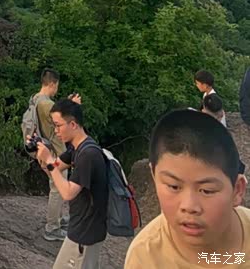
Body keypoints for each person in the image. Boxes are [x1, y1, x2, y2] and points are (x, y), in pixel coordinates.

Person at [124, 108, 250, 268]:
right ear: (154, 177)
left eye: (207, 190)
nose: (189, 206)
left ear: (237, 190)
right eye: (174, 186)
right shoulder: (145, 258)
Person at [35, 98, 108, 269]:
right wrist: (42, 156)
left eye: (58, 125)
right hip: (83, 228)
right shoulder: (76, 148)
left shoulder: (88, 154)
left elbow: (68, 193)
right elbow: (54, 169)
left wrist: (49, 161)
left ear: (73, 124)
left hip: (85, 232)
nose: (56, 131)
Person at [29, 69, 81, 242]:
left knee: (57, 186)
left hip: (45, 149)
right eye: (56, 85)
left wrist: (67, 102)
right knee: (58, 188)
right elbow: (61, 118)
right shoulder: (46, 104)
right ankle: (52, 227)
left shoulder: (36, 99)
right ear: (52, 83)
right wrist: (73, 106)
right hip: (53, 152)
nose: (56, 88)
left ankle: (57, 219)